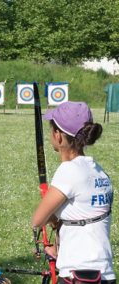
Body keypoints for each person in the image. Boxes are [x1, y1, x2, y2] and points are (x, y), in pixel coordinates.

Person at [32, 101, 116, 284]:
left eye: (52, 130)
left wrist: (50, 216)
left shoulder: (68, 171)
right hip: (106, 275)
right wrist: (57, 250)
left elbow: (37, 220)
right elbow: (84, 221)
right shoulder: (100, 172)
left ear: (58, 136)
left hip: (78, 276)